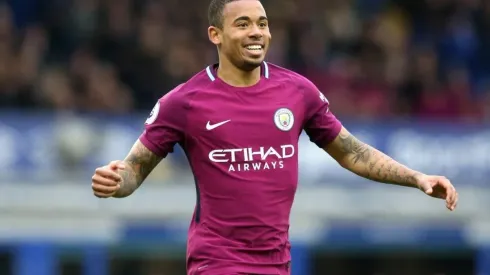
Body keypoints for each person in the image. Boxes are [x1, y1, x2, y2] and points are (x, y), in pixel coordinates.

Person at [91, 0, 459, 274]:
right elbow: (134, 170)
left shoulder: (296, 91)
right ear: (215, 35)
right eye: (244, 24)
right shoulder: (184, 102)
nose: (257, 32)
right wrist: (116, 180)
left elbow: (352, 152)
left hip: (277, 262)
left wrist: (417, 178)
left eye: (263, 24)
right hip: (217, 262)